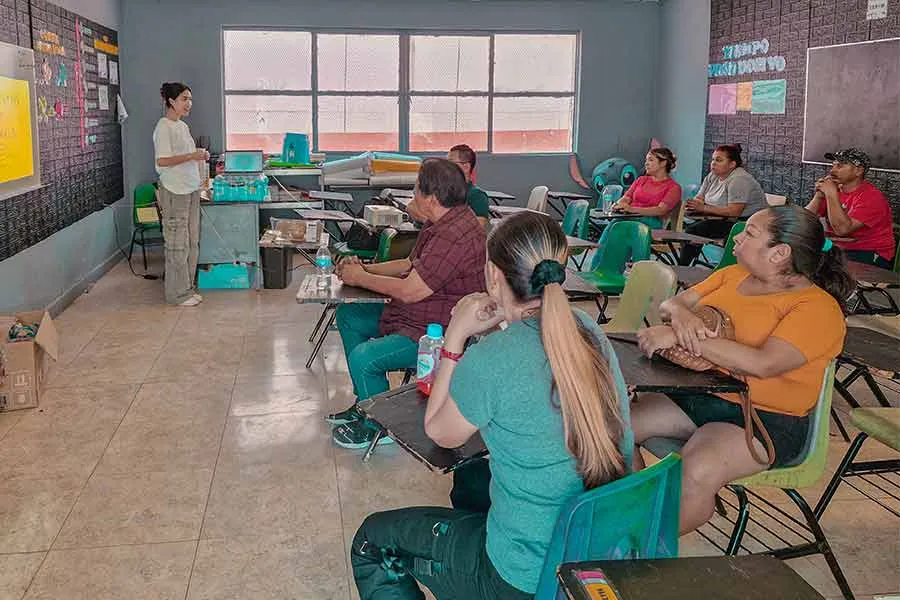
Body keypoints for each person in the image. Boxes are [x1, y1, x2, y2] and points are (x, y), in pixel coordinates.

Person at [350, 212, 632, 600]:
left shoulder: (493, 358)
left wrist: (455, 336)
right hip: (597, 554)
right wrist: (509, 321)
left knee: (371, 541)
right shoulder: (588, 329)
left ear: (493, 276)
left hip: (523, 577)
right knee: (471, 483)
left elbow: (440, 432)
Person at [631, 204, 854, 534]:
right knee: (609, 431)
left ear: (779, 253)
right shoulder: (732, 275)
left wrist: (679, 336)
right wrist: (683, 318)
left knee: (696, 470)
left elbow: (763, 364)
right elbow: (671, 304)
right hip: (704, 394)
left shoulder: (817, 308)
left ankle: (638, 545)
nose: (737, 238)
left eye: (749, 233)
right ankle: (626, 514)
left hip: (764, 418)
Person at [328, 158, 487, 449]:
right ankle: (366, 403)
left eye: (416, 189)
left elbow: (411, 291)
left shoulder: (455, 235)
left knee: (365, 357)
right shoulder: (440, 222)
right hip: (415, 314)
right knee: (350, 316)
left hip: (437, 331)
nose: (412, 195)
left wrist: (361, 278)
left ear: (432, 198)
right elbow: (409, 264)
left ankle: (378, 427)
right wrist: (363, 269)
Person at [152, 82, 209, 306]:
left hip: (191, 189)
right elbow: (162, 161)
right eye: (184, 99)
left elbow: (188, 156)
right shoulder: (163, 127)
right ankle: (177, 294)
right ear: (171, 101)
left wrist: (199, 157)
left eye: (190, 99)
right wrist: (192, 156)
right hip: (175, 191)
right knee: (177, 244)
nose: (189, 104)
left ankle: (187, 288)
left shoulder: (182, 127)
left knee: (192, 241)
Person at [805, 148, 896, 270]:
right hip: (836, 247)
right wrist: (819, 196)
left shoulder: (871, 197)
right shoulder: (834, 190)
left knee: (824, 271)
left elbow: (842, 229)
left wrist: (831, 194)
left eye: (840, 166)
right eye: (833, 165)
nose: (832, 171)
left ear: (858, 171)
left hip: (867, 252)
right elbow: (803, 220)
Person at [677, 144, 767, 266]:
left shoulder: (739, 179)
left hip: (745, 224)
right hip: (722, 219)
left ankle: (683, 267)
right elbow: (700, 197)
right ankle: (687, 265)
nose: (713, 163)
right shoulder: (712, 175)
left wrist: (703, 208)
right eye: (713, 159)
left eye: (719, 160)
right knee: (694, 229)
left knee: (694, 230)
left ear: (732, 164)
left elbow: (734, 211)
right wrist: (694, 205)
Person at [611, 147, 682, 229]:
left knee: (617, 226)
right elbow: (626, 198)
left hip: (650, 223)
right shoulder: (641, 180)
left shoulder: (674, 187)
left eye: (650, 160)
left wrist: (631, 209)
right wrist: (620, 205)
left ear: (663, 163)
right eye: (646, 160)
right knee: (614, 224)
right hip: (628, 217)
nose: (646, 163)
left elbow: (661, 210)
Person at [448, 144, 491, 226]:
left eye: (450, 162)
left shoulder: (477, 196)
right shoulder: (445, 192)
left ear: (466, 166)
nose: (445, 167)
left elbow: (476, 229)